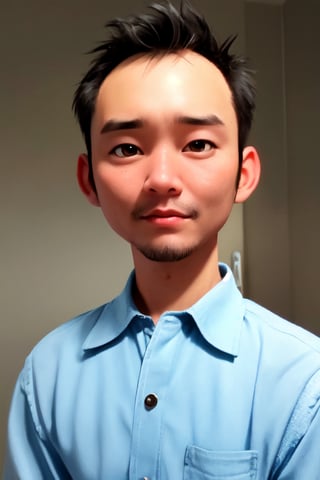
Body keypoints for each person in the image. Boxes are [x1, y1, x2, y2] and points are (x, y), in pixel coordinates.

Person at [4, 1, 320, 478]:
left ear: (244, 173)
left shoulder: (304, 382)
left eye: (198, 144)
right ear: (89, 180)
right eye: (128, 148)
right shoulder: (47, 375)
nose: (163, 178)